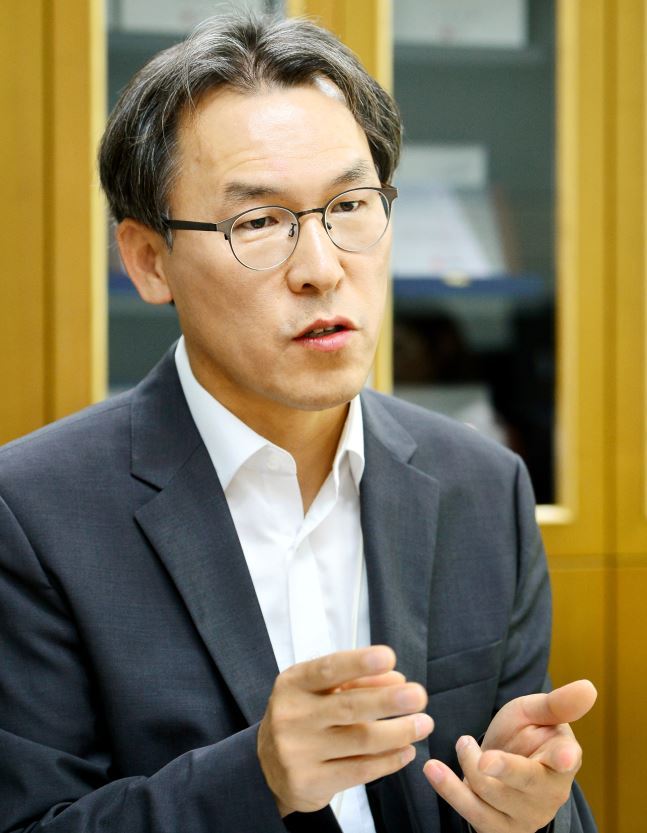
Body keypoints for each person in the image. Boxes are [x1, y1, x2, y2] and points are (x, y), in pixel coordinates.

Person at [0, 12, 597, 833]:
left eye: (350, 205)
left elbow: (518, 793)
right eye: (259, 223)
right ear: (146, 259)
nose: (320, 269)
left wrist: (529, 812)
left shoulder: (482, 487)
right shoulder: (31, 512)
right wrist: (258, 777)